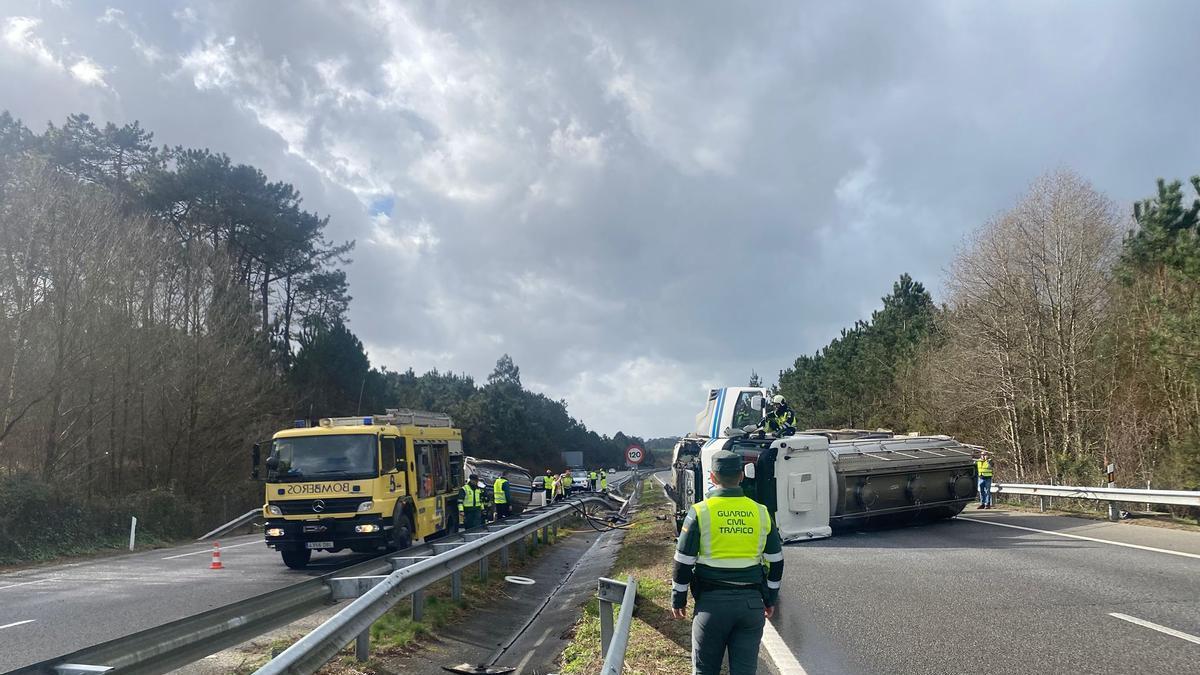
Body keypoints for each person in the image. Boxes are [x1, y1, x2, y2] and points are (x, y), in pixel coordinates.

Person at [671, 450, 784, 675]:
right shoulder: (760, 512)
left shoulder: (700, 512)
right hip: (751, 606)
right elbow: (776, 562)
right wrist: (770, 598)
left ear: (712, 477)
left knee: (706, 670)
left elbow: (683, 561)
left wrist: (679, 597)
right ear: (741, 475)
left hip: (711, 607)